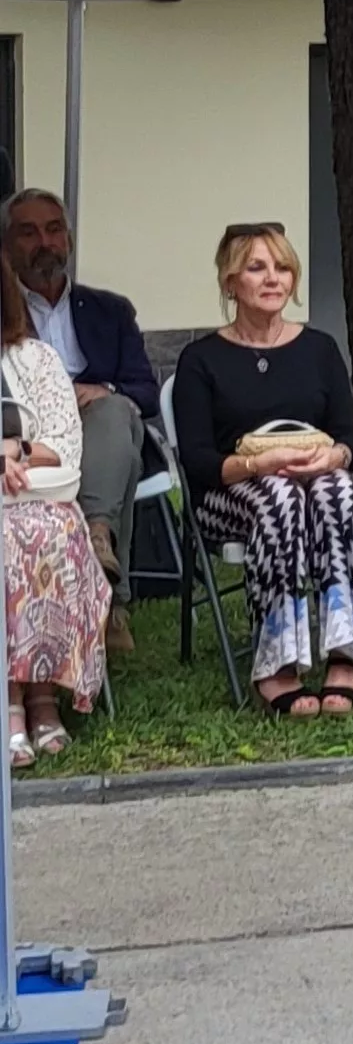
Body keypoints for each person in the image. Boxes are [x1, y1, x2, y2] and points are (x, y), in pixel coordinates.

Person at [172, 225, 353, 717]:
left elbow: (352, 434)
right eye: (257, 267)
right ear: (229, 281)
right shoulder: (201, 360)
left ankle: (343, 653)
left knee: (338, 487)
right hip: (232, 495)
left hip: (315, 486)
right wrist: (258, 465)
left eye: (282, 267)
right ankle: (277, 661)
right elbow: (197, 461)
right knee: (279, 496)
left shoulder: (319, 349)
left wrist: (334, 456)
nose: (273, 278)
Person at [3, 187, 153, 660]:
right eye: (28, 232)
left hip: (98, 426)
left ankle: (97, 537)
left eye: (53, 230)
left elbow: (145, 390)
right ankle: (109, 592)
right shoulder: (4, 311)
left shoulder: (110, 311)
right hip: (28, 436)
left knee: (117, 412)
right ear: (6, 244)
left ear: (68, 238)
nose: (44, 242)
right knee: (115, 438)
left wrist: (103, 390)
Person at [0, 254, 109, 764]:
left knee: (51, 533)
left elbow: (65, 441)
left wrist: (15, 451)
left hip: (34, 496)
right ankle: (12, 701)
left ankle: (41, 693)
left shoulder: (35, 358)